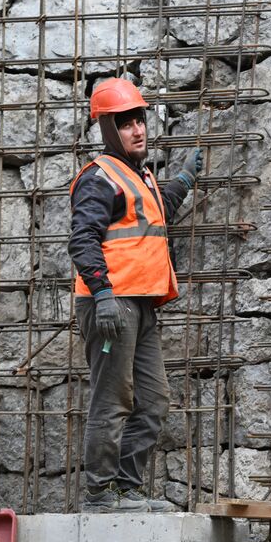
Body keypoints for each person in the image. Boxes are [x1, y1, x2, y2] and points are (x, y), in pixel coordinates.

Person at [68, 77, 202, 513]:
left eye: (140, 120)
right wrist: (103, 294)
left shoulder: (137, 176)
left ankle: (126, 487)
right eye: (126, 124)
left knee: (154, 400)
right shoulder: (99, 178)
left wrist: (183, 179)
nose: (138, 130)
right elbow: (82, 239)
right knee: (113, 398)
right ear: (109, 130)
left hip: (140, 303)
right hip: (111, 304)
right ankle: (100, 493)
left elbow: (152, 212)